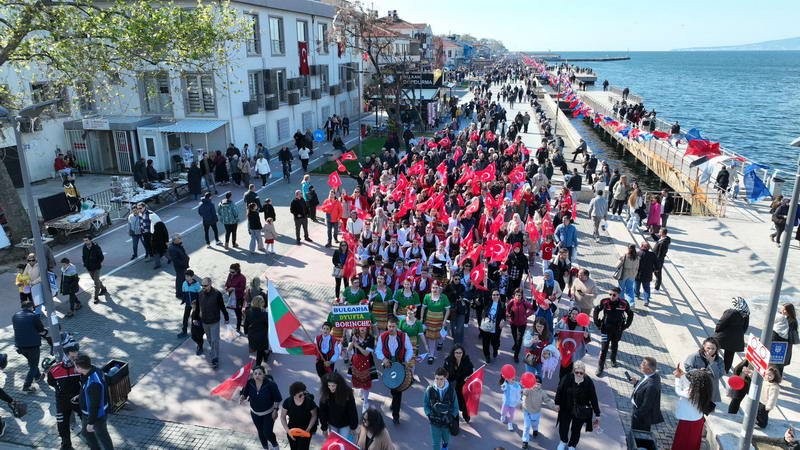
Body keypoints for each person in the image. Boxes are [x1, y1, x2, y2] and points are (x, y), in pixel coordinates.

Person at [375, 317, 414, 424]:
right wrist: (383, 359)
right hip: (387, 365)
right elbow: (378, 350)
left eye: (393, 326)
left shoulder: (403, 336)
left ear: (397, 326)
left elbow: (410, 349)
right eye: (389, 326)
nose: (391, 328)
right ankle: (394, 401)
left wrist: (406, 360)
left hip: (400, 364)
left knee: (398, 389)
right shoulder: (382, 336)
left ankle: (395, 415)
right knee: (392, 386)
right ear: (387, 326)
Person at [554, 360, 601, 450]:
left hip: (580, 410)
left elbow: (593, 398)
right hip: (566, 407)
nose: (579, 374)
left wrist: (597, 413)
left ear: (584, 372)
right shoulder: (567, 378)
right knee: (563, 426)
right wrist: (557, 403)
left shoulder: (588, 382)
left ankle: (572, 445)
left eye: (581, 373)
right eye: (577, 372)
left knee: (576, 429)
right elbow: (559, 390)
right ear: (573, 371)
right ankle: (563, 441)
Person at [47, 338, 83, 450]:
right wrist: (58, 389)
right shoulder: (54, 369)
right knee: (62, 424)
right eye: (72, 357)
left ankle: (93, 441)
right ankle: (66, 445)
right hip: (62, 401)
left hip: (77, 398)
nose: (75, 359)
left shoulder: (79, 368)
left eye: (76, 356)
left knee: (86, 418)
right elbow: (50, 381)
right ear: (66, 355)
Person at [75, 353, 114, 450]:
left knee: (102, 436)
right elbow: (91, 393)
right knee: (86, 433)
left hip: (96, 416)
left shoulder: (93, 383)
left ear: (80, 367)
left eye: (75, 366)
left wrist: (91, 423)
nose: (74, 368)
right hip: (89, 414)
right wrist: (81, 396)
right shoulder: (94, 371)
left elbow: (94, 405)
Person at [671, 365, 714, 450]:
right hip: (696, 420)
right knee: (692, 443)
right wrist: (682, 376)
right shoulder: (700, 389)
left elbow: (678, 391)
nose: (690, 380)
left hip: (688, 421)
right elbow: (688, 384)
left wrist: (677, 378)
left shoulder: (692, 392)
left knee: (683, 442)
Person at [593, 287, 634, 376]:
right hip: (605, 329)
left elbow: (630, 313)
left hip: (617, 330)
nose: (611, 296)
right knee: (604, 349)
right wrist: (597, 322)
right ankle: (600, 367)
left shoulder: (624, 303)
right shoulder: (605, 301)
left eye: (614, 295)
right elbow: (596, 310)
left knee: (615, 345)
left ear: (618, 295)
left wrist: (626, 325)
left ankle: (613, 360)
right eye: (610, 294)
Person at [239, 365, 282, 450]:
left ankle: (275, 445)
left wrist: (275, 410)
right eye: (255, 374)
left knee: (267, 432)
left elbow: (277, 398)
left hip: (268, 413)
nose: (257, 375)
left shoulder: (271, 384)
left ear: (264, 375)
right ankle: (265, 448)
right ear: (253, 375)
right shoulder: (250, 382)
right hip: (254, 413)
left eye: (259, 373)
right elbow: (245, 393)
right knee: (260, 432)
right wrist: (242, 397)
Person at [423, 366, 459, 450]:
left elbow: (455, 406)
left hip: (446, 421)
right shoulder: (429, 389)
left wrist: (451, 417)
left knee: (446, 439)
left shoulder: (451, 390)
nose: (438, 381)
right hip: (434, 421)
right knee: (435, 443)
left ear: (445, 378)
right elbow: (426, 404)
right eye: (437, 378)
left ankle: (445, 446)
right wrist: (429, 414)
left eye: (441, 379)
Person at [12, 300, 45, 392]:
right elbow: (41, 330)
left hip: (19, 346)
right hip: (32, 345)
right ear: (31, 307)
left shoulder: (15, 316)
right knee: (33, 365)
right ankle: (27, 386)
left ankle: (38, 376)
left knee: (32, 362)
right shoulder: (34, 316)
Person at [198, 277, 229, 369]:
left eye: (205, 285)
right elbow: (198, 307)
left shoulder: (217, 294)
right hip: (204, 321)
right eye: (202, 285)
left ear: (210, 284)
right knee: (210, 339)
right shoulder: (200, 294)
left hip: (214, 321)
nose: (203, 287)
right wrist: (196, 317)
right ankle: (213, 349)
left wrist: (226, 317)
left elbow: (222, 307)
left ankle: (215, 358)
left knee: (215, 340)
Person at [318, 371, 359, 443]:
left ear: (339, 385)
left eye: (333, 386)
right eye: (329, 385)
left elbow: (352, 410)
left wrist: (353, 427)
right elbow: (322, 412)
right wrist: (324, 428)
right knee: (334, 443)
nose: (330, 388)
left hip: (345, 424)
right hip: (332, 423)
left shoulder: (347, 394)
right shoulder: (326, 394)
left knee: (342, 443)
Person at [683, 337, 725, 404]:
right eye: (708, 348)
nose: (710, 351)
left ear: (716, 349)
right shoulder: (694, 356)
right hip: (696, 386)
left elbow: (719, 374)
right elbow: (688, 368)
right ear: (703, 346)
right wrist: (699, 371)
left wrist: (712, 363)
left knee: (707, 408)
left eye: (713, 349)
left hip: (711, 388)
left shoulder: (719, 360)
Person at [713, 297, 750, 372]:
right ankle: (725, 370)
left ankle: (712, 364)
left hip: (723, 337)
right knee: (729, 355)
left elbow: (722, 322)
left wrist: (717, 330)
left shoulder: (731, 312)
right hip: (736, 340)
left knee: (714, 349)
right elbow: (745, 328)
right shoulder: (746, 314)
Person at [629, 357, 664, 432]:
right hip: (639, 411)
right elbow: (644, 387)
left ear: (649, 370)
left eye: (643, 365)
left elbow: (646, 405)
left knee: (637, 434)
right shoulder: (652, 375)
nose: (641, 365)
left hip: (642, 418)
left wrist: (636, 415)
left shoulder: (651, 386)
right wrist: (636, 383)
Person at [280, 381, 318, 450]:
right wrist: (288, 430)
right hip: (292, 429)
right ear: (294, 395)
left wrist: (309, 428)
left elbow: (314, 415)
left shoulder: (309, 402)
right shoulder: (288, 402)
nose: (303, 396)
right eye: (300, 395)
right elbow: (282, 417)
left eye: (304, 394)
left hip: (306, 429)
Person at [443, 344, 474, 423]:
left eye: (460, 353)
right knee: (454, 402)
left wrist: (468, 377)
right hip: (453, 385)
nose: (458, 354)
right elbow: (444, 372)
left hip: (463, 385)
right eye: (456, 352)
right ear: (453, 353)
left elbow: (471, 371)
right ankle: (454, 419)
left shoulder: (466, 360)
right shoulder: (448, 361)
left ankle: (466, 415)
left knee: (465, 402)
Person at [348, 326, 376, 413]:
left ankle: (366, 402)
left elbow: (366, 353)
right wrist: (352, 343)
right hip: (356, 361)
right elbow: (349, 349)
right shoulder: (354, 335)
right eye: (360, 326)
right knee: (359, 380)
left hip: (367, 362)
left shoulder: (371, 338)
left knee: (366, 383)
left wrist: (357, 346)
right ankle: (361, 389)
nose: (362, 328)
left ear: (367, 327)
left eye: (364, 327)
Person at [422, 281, 450, 363]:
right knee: (431, 338)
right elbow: (423, 308)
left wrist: (445, 320)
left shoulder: (444, 297)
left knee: (441, 335)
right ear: (431, 288)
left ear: (439, 288)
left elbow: (448, 310)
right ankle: (431, 355)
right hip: (430, 320)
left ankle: (440, 343)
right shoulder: (427, 296)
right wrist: (421, 318)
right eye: (433, 288)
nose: (434, 289)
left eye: (436, 288)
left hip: (440, 320)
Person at [506, 288, 534, 363]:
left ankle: (516, 355)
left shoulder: (525, 303)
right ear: (514, 296)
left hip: (522, 324)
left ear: (522, 296)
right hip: (513, 323)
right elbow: (507, 309)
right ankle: (515, 344)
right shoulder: (511, 302)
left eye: (520, 295)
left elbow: (533, 309)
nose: (518, 297)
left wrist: (526, 315)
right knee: (515, 337)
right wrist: (508, 314)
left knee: (519, 340)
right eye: (517, 295)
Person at [479, 290, 506, 363]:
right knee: (485, 342)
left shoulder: (502, 305)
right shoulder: (487, 303)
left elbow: (504, 316)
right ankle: (487, 356)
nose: (496, 296)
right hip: (486, 326)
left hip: (496, 327)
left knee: (495, 342)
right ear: (491, 296)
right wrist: (485, 282)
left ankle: (495, 350)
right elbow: (484, 294)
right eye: (494, 295)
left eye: (497, 294)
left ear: (499, 296)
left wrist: (503, 320)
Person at [520, 371, 546, 448]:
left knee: (535, 423)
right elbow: (524, 392)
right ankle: (525, 441)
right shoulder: (528, 390)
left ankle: (535, 429)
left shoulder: (542, 393)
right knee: (526, 426)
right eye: (535, 384)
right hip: (527, 411)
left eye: (538, 384)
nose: (536, 386)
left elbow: (547, 400)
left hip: (536, 412)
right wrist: (521, 389)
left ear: (541, 385)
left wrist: (554, 406)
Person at [772, 303, 798, 375]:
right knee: (774, 359)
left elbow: (791, 334)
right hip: (777, 341)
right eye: (782, 309)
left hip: (785, 343)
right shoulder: (780, 316)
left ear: (789, 311)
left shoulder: (792, 321)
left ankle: (778, 376)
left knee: (781, 360)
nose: (782, 311)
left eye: (784, 310)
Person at [244, 295, 270, 366]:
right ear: (261, 303)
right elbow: (268, 324)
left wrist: (246, 332)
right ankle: (258, 365)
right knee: (260, 351)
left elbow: (246, 324)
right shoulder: (264, 314)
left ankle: (263, 355)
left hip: (252, 334)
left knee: (255, 347)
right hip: (262, 336)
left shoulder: (248, 312)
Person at [81, 236, 108, 304]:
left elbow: (101, 257)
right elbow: (84, 256)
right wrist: (85, 263)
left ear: (90, 240)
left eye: (86, 240)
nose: (85, 242)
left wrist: (97, 263)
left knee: (96, 282)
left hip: (96, 267)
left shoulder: (96, 247)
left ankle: (96, 297)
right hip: (89, 268)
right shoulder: (84, 247)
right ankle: (103, 288)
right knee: (96, 280)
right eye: (84, 240)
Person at [178, 269, 201, 339]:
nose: (186, 278)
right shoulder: (184, 283)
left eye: (188, 276)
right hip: (188, 304)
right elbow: (184, 293)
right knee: (185, 318)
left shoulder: (197, 285)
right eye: (186, 276)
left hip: (195, 305)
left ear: (192, 276)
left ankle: (197, 332)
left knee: (195, 318)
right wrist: (183, 300)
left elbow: (200, 294)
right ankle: (184, 331)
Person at [225, 263, 247, 333]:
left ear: (237, 271)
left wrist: (233, 288)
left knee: (238, 313)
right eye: (230, 271)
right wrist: (226, 287)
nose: (231, 273)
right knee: (236, 311)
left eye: (232, 272)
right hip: (231, 296)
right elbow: (227, 283)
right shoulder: (230, 275)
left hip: (239, 297)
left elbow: (242, 288)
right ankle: (243, 316)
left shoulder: (242, 278)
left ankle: (238, 327)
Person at [635, 241, 657, 307]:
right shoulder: (652, 254)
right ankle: (646, 300)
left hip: (638, 274)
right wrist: (653, 270)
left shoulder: (638, 253)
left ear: (642, 246)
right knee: (646, 288)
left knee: (636, 286)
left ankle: (637, 295)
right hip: (647, 275)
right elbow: (657, 265)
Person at [168, 234, 190, 300]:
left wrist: (187, 258)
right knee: (180, 280)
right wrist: (183, 263)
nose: (180, 239)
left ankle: (182, 292)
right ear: (175, 240)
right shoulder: (172, 248)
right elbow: (175, 260)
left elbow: (183, 253)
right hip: (180, 267)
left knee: (182, 279)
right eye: (179, 238)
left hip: (183, 265)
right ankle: (179, 293)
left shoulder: (178, 245)